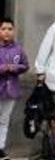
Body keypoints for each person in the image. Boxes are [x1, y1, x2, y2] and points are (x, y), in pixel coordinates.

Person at [0, 17, 28, 159]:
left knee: (4, 120)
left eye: (10, 29)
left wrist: (15, 67)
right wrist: (4, 68)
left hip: (10, 91)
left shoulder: (18, 49)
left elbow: (25, 65)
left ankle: (1, 147)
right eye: (3, 29)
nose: (7, 32)